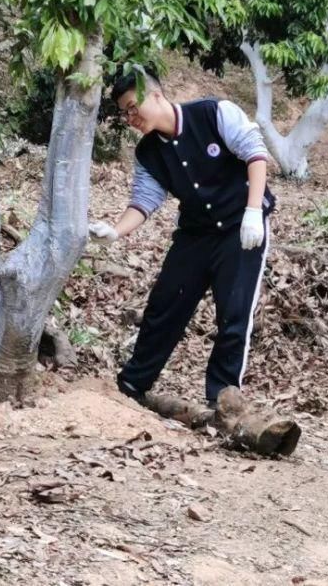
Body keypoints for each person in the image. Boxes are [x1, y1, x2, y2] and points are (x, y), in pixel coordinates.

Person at [89, 69, 275, 408]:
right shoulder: (148, 153)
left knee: (234, 313)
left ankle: (223, 401)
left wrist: (253, 212)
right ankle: (132, 384)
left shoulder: (213, 113)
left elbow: (255, 153)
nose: (130, 118)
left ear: (156, 95)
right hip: (195, 234)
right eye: (124, 113)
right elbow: (144, 200)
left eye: (133, 107)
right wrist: (115, 230)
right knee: (165, 305)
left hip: (241, 227)